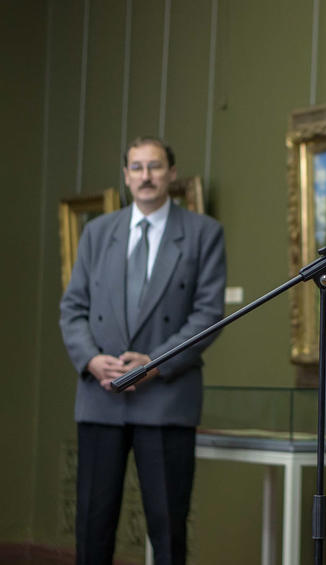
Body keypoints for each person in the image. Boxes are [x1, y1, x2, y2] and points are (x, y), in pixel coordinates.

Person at [59, 136, 226, 565]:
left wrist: (156, 363)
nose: (146, 176)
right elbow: (73, 308)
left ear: (171, 173)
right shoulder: (98, 232)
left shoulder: (204, 233)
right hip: (101, 395)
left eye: (154, 167)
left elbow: (207, 315)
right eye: (137, 167)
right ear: (126, 175)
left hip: (166, 400)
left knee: (168, 529)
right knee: (93, 526)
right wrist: (92, 359)